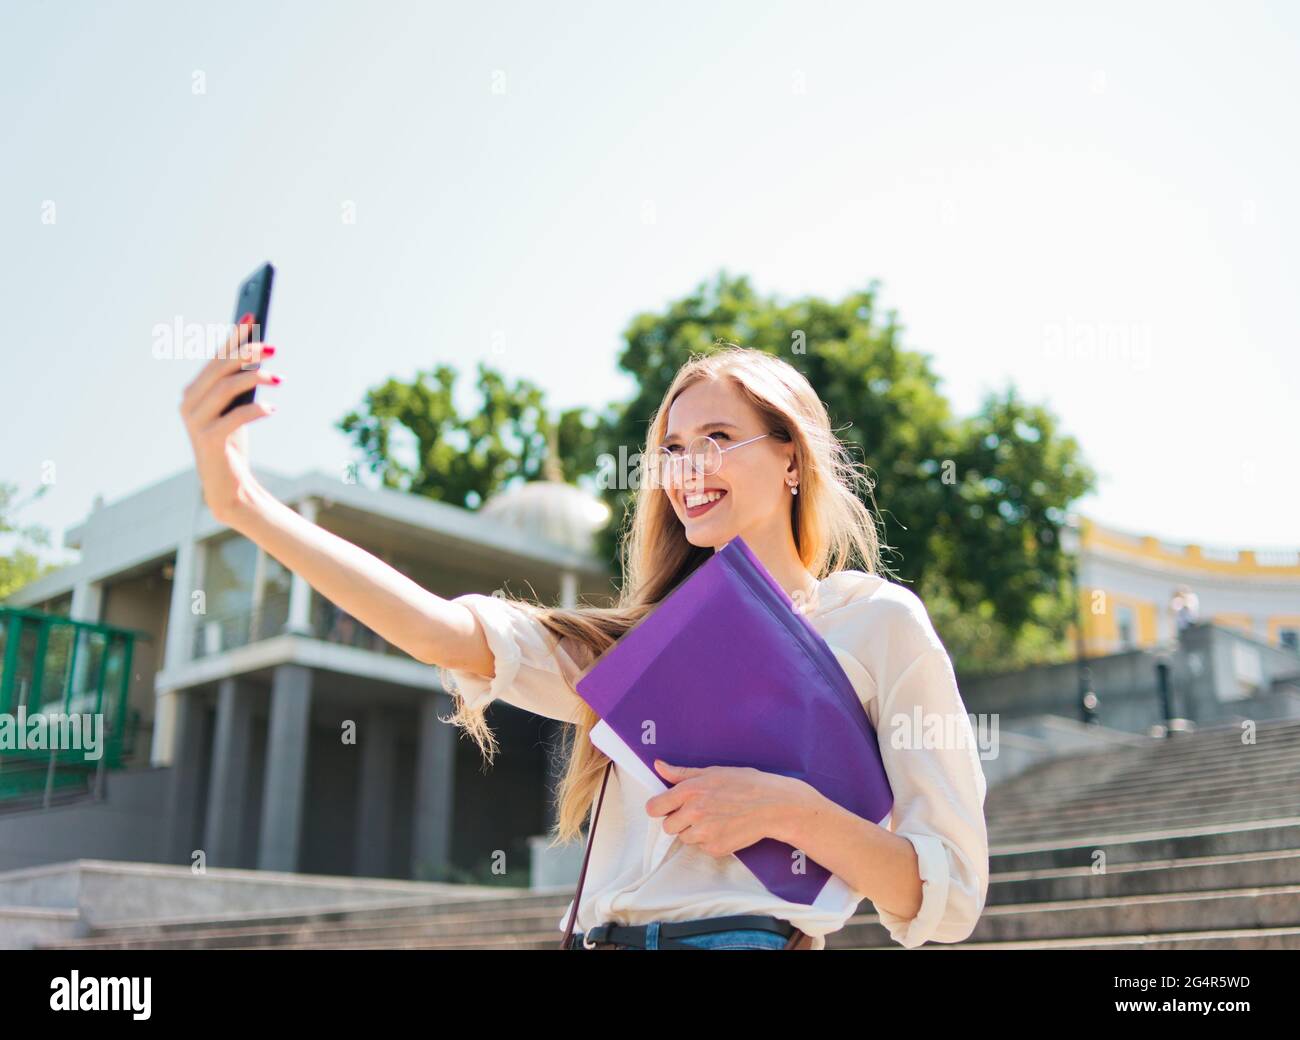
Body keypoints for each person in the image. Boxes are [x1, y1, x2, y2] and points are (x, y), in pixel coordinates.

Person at [180, 320, 989, 950]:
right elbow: (439, 630)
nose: (685, 468)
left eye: (716, 439)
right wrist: (245, 504)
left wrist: (791, 812)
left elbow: (949, 894)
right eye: (670, 449)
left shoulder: (879, 624)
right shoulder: (641, 647)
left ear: (791, 460)